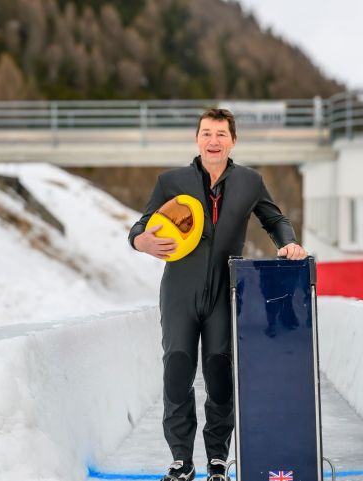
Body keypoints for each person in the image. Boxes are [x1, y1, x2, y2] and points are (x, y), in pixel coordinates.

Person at [128, 108, 307, 481]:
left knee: (219, 374)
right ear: (197, 139)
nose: (213, 141)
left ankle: (217, 460)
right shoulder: (170, 181)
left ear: (233, 141)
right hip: (180, 292)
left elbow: (275, 219)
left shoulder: (250, 182)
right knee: (177, 371)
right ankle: (181, 459)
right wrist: (140, 241)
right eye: (207, 133)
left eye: (221, 134)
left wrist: (288, 243)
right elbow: (142, 225)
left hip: (227, 293)